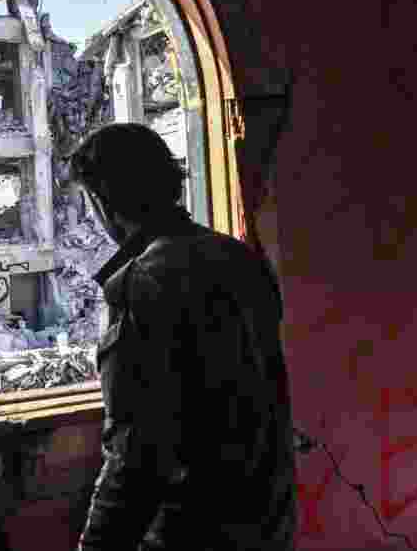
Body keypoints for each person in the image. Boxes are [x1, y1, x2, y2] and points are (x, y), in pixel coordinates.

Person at [68, 123, 297, 551]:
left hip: (195, 529)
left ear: (103, 203)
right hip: (269, 515)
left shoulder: (142, 284)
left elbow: (135, 452)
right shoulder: (238, 257)